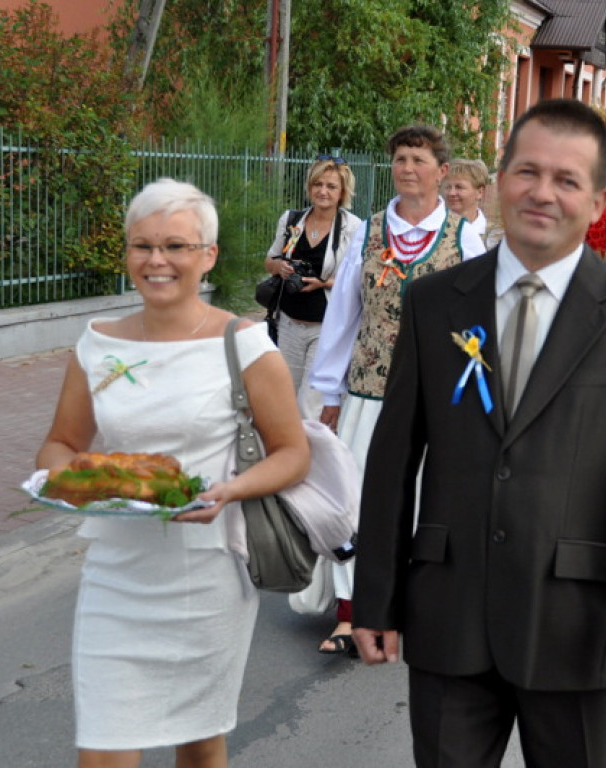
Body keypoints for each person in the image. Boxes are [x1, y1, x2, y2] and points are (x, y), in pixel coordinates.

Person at [351, 99, 606, 765]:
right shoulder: (434, 302)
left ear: (598, 202)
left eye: (567, 181)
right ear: (498, 182)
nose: (542, 193)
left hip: (578, 630)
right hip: (449, 615)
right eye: (527, 172)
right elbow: (393, 460)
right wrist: (372, 598)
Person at [36, 178, 310, 768]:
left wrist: (231, 489)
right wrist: (83, 483)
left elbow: (292, 453)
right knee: (103, 750)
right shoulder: (97, 344)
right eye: (143, 245)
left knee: (200, 744)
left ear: (207, 255)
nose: (157, 260)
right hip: (115, 573)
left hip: (206, 573)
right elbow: (60, 445)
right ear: (128, 253)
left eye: (176, 246)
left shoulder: (245, 345)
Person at [308, 125, 486, 656]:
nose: (408, 168)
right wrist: (330, 392)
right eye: (400, 158)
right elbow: (343, 316)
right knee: (359, 500)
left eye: (419, 159)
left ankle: (416, 607)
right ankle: (350, 611)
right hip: (369, 389)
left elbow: (480, 325)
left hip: (438, 398)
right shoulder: (366, 233)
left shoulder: (464, 238)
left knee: (429, 503)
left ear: (442, 172)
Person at [263, 156, 362, 418]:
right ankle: (290, 453)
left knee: (310, 404)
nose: (323, 191)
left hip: (325, 326)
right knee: (285, 399)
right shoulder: (292, 220)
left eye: (331, 186)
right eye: (317, 184)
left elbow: (359, 279)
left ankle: (313, 456)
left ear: (342, 193)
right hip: (289, 322)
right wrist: (279, 267)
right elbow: (269, 259)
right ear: (309, 187)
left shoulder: (353, 228)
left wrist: (324, 283)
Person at [442, 158, 490, 242]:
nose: (451, 193)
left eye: (459, 187)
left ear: (480, 192)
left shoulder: (494, 237)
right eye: (448, 187)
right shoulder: (435, 233)